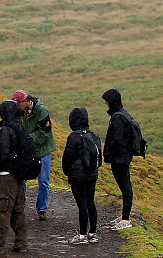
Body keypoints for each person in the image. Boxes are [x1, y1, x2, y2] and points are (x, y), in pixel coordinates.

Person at [0, 100, 29, 254]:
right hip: (18, 175)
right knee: (18, 209)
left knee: (2, 210)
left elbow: (3, 152)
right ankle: (21, 243)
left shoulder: (6, 130)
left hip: (5, 176)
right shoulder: (20, 128)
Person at [12, 90, 56, 220]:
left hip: (42, 151)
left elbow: (45, 132)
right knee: (21, 180)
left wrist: (26, 139)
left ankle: (42, 209)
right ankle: (21, 206)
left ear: (25, 101)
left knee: (43, 182)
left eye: (18, 104)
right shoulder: (19, 111)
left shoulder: (41, 110)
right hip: (26, 151)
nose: (17, 107)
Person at [62, 107, 102, 244]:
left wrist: (68, 172)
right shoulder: (94, 136)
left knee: (82, 204)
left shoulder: (73, 137)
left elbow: (67, 158)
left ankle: (82, 235)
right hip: (92, 174)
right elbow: (99, 159)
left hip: (77, 176)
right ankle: (93, 233)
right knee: (91, 202)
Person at [102, 88, 139, 231]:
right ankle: (124, 216)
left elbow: (116, 140)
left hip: (120, 158)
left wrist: (108, 153)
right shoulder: (124, 114)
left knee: (125, 188)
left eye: (107, 103)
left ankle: (125, 219)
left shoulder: (117, 117)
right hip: (124, 156)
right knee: (125, 187)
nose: (107, 105)